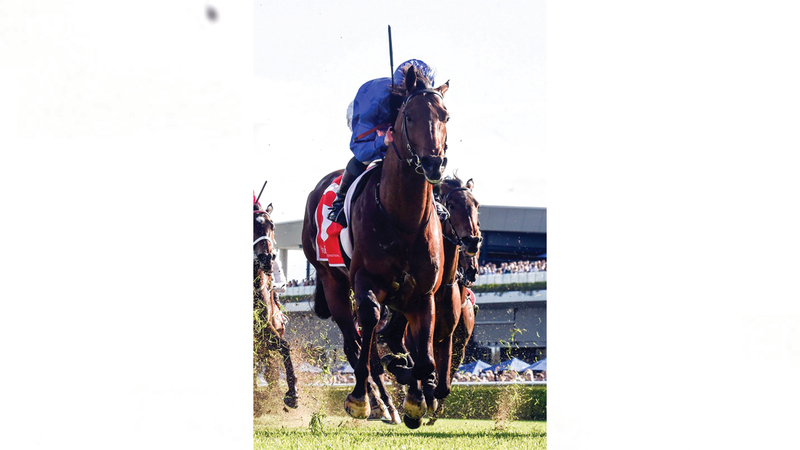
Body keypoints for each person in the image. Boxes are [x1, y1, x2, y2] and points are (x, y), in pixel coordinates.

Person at [327, 59, 436, 227]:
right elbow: (359, 148)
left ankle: (436, 199)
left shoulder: (421, 103)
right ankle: (340, 202)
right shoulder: (375, 101)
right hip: (367, 115)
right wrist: (382, 141)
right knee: (363, 159)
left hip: (397, 119)